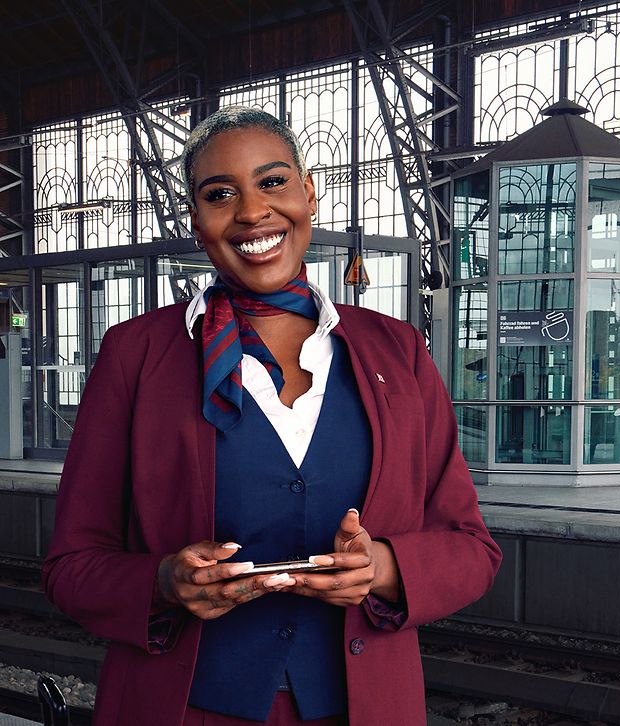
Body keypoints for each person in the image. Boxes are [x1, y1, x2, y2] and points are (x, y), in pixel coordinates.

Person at [42, 106, 502, 726]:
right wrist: (163, 582)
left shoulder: (398, 351)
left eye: (273, 181)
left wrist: (386, 569)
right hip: (187, 709)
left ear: (309, 193)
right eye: (219, 194)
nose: (253, 211)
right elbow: (72, 567)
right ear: (197, 221)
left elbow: (472, 548)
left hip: (361, 707)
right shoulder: (137, 355)